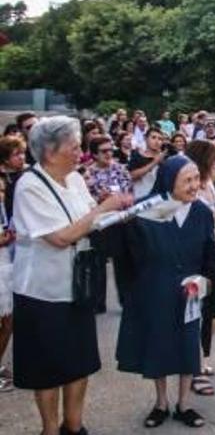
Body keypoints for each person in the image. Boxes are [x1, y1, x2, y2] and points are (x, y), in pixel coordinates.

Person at [12, 116, 131, 435]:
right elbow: (60, 237)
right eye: (75, 147)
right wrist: (103, 209)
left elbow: (92, 222)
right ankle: (50, 429)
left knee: (80, 361)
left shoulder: (76, 180)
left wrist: (123, 213)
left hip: (78, 286)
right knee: (47, 368)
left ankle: (74, 425)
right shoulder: (30, 186)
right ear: (50, 152)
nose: (81, 153)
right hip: (42, 291)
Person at [116, 155, 215, 429]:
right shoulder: (146, 209)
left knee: (188, 344)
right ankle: (161, 402)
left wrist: (207, 280)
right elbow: (127, 252)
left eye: (197, 178)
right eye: (187, 180)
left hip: (191, 288)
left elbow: (210, 252)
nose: (194, 185)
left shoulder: (201, 212)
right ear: (168, 181)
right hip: (155, 286)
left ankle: (184, 403)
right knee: (158, 343)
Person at [183, 140, 215, 397]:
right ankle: (197, 362)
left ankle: (198, 353)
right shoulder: (189, 188)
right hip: (197, 256)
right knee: (203, 308)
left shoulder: (211, 186)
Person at [85, 137, 134, 313]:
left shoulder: (120, 169)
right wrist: (100, 199)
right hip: (100, 224)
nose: (108, 154)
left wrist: (123, 200)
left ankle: (126, 300)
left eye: (110, 150)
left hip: (121, 222)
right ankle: (98, 303)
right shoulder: (88, 174)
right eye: (104, 151)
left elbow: (129, 193)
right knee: (98, 264)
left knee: (123, 263)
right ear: (94, 154)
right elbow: (86, 201)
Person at [0, 177, 16, 393]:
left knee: (8, 322)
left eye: (3, 190)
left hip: (6, 265)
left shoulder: (3, 210)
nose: (1, 194)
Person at [128, 128, 166, 199]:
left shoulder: (165, 157)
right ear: (146, 138)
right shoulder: (137, 155)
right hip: (141, 196)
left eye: (160, 139)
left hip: (159, 197)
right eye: (153, 137)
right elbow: (132, 176)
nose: (157, 141)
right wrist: (154, 162)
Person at [0, 135, 28, 220]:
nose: (21, 157)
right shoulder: (2, 177)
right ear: (6, 159)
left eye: (22, 153)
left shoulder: (30, 171)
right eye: (16, 154)